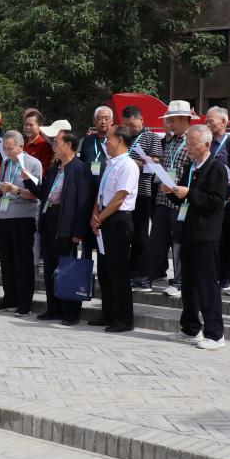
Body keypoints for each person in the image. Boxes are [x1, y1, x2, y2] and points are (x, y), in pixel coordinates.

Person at [162, 124, 227, 349]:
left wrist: (189, 193)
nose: (188, 147)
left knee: (207, 285)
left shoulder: (216, 168)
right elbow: (184, 198)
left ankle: (215, 334)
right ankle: (190, 328)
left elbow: (216, 201)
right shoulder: (191, 166)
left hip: (205, 234)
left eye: (192, 144)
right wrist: (171, 192)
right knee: (188, 284)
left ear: (206, 144)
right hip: (187, 231)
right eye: (187, 143)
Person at [132, 100, 193, 295]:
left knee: (178, 243)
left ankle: (179, 282)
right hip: (162, 198)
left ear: (184, 119)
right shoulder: (169, 141)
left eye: (173, 120)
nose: (169, 124)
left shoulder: (192, 141)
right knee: (157, 241)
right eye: (169, 120)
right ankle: (147, 278)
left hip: (180, 201)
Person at [35, 132, 93, 326]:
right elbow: (44, 193)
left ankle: (71, 312)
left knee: (68, 268)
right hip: (50, 219)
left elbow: (83, 203)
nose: (54, 146)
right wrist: (27, 181)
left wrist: (78, 232)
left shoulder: (80, 169)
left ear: (68, 145)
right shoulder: (55, 168)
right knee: (50, 267)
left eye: (57, 142)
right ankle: (53, 308)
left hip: (67, 223)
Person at [89, 125, 139, 333]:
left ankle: (123, 319)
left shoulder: (128, 165)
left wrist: (99, 218)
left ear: (120, 140)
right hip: (104, 218)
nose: (106, 142)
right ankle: (108, 313)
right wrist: (95, 215)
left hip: (118, 220)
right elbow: (101, 193)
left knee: (118, 271)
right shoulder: (110, 163)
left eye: (109, 138)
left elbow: (119, 198)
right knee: (105, 270)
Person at [0, 130, 43, 315]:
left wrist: (15, 190)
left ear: (21, 146)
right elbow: (4, 188)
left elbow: (36, 194)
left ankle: (24, 303)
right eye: (5, 148)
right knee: (6, 260)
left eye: (10, 148)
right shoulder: (5, 162)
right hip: (4, 215)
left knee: (23, 261)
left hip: (24, 216)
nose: (7, 152)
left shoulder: (33, 163)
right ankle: (8, 298)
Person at [204, 107, 230, 290]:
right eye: (206, 120)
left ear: (223, 122)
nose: (207, 123)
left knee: (227, 240)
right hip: (208, 198)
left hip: (227, 200)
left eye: (211, 120)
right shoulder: (206, 142)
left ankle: (226, 276)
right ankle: (212, 274)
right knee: (211, 240)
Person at [122, 106, 163, 279]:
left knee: (140, 231)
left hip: (142, 190)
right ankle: (126, 267)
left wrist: (129, 162)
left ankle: (139, 269)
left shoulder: (152, 137)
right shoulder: (124, 137)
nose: (129, 128)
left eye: (132, 125)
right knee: (125, 231)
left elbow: (154, 164)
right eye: (126, 125)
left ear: (141, 120)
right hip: (124, 191)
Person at [78, 106, 113, 185]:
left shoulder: (116, 141)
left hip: (107, 184)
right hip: (86, 184)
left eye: (106, 118)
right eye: (100, 118)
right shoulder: (87, 140)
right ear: (94, 121)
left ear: (112, 121)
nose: (103, 122)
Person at [22, 110, 53, 174]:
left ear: (39, 127)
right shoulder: (21, 142)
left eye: (31, 125)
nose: (27, 127)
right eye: (26, 124)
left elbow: (43, 171)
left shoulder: (45, 146)